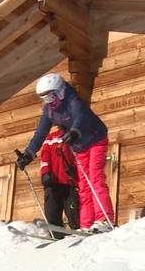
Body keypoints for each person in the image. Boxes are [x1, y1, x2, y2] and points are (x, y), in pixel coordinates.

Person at [16, 73, 115, 232]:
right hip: (79, 147)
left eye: (49, 97)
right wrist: (29, 153)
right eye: (44, 99)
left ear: (59, 91)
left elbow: (80, 117)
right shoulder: (49, 111)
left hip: (96, 139)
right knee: (83, 185)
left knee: (95, 179)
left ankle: (104, 219)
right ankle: (86, 224)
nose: (48, 102)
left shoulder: (72, 100)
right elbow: (41, 132)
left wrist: (75, 131)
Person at [40, 128, 79, 235]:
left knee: (73, 211)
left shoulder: (76, 135)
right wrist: (45, 172)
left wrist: (75, 169)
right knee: (51, 211)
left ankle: (77, 231)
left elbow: (80, 156)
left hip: (70, 183)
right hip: (53, 182)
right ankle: (55, 233)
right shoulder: (51, 138)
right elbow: (45, 157)